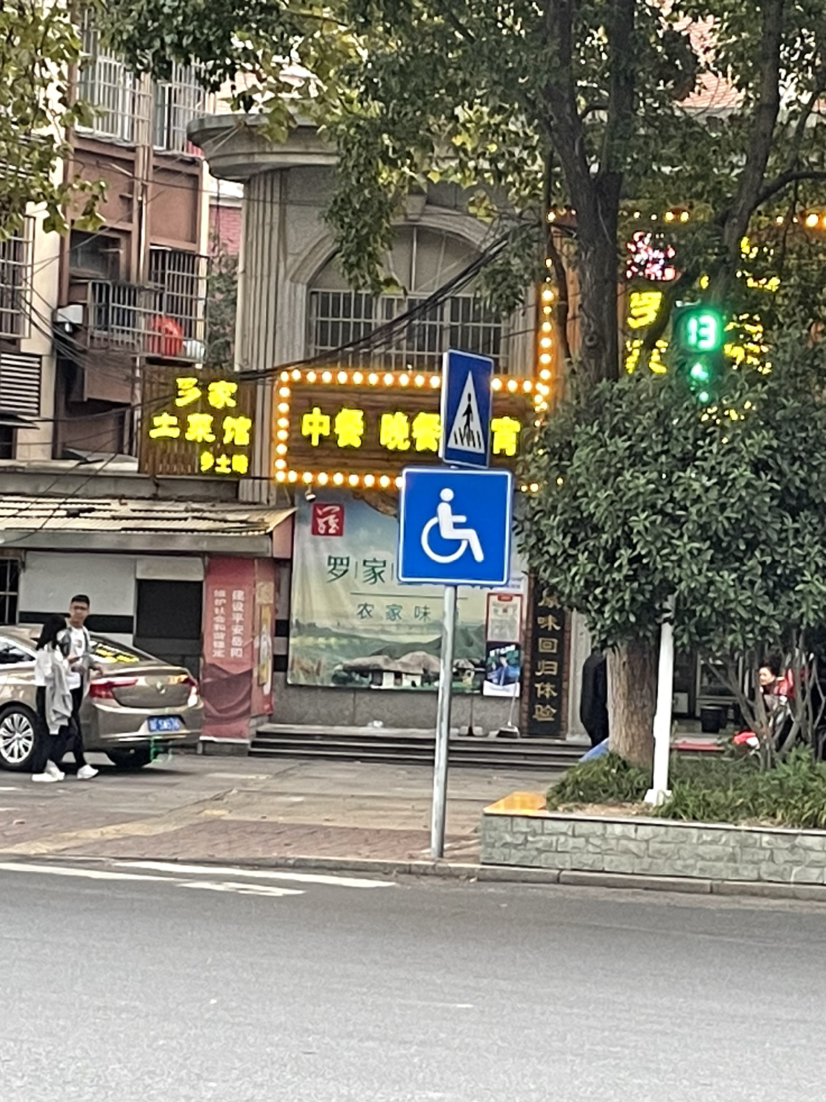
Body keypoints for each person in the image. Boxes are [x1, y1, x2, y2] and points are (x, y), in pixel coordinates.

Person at [62, 594, 102, 780]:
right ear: (69, 609)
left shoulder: (85, 632)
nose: (78, 612)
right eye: (75, 608)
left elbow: (85, 654)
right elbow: (53, 653)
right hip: (63, 685)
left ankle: (52, 762)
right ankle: (80, 764)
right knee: (73, 725)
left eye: (82, 609)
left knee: (71, 725)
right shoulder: (63, 631)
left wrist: (93, 665)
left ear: (88, 612)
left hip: (78, 684)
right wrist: (68, 663)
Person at [31, 615, 75, 783]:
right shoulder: (44, 651)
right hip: (47, 692)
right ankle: (39, 768)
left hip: (55, 691)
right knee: (46, 731)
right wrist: (63, 665)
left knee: (62, 730)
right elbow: (49, 674)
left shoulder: (55, 649)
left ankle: (50, 762)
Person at [580, 645, 609, 748]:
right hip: (598, 711)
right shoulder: (601, 662)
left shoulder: (590, 661)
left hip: (587, 711)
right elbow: (602, 690)